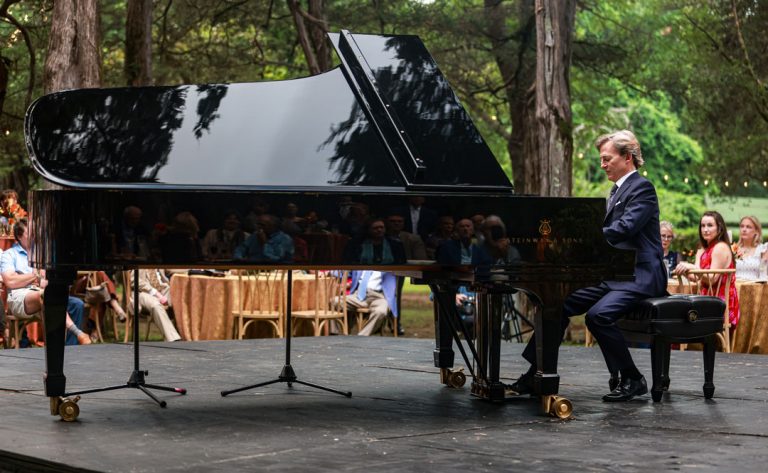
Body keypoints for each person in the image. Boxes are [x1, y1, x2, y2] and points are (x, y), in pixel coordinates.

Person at [511, 130, 667, 402]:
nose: (602, 164)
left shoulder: (642, 188)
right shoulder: (616, 190)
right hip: (616, 275)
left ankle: (632, 378)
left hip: (640, 274)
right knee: (556, 303)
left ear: (627, 157)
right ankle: (538, 373)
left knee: (597, 316)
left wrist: (582, 239)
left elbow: (624, 228)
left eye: (607, 159)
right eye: (601, 159)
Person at [0, 219, 90, 345]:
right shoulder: (9, 255)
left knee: (77, 304)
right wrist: (35, 276)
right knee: (45, 296)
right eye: (30, 233)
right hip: (19, 297)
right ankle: (78, 333)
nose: (35, 237)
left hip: (42, 293)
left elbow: (46, 281)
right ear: (19, 236)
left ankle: (71, 349)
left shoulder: (40, 255)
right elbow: (10, 281)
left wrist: (24, 278)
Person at [673, 211, 740, 327]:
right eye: (702, 226)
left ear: (719, 228)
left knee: (681, 314)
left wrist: (692, 267)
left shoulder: (720, 247)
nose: (705, 229)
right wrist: (684, 270)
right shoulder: (703, 249)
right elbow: (695, 278)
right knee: (678, 310)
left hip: (720, 304)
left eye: (710, 225)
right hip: (706, 300)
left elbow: (712, 279)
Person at [129, 269, 182, 342]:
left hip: (163, 290)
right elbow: (133, 280)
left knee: (181, 298)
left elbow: (174, 268)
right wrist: (154, 292)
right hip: (143, 292)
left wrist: (193, 268)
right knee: (155, 304)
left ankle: (188, 336)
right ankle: (173, 340)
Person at [346, 270, 398, 336]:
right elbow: (343, 272)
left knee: (381, 311)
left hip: (379, 296)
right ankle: (335, 334)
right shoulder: (360, 264)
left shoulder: (387, 266)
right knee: (335, 301)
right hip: (358, 295)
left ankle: (362, 336)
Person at [733, 216, 768, 280]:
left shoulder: (762, 249)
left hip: (754, 285)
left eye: (748, 227)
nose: (744, 230)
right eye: (742, 226)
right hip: (735, 285)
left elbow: (764, 274)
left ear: (756, 231)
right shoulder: (734, 249)